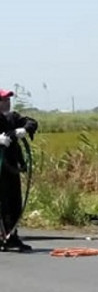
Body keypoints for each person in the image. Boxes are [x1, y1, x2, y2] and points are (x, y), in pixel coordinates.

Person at [0, 88, 38, 252]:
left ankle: (12, 236)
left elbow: (31, 122)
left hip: (11, 168)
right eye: (3, 101)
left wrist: (24, 130)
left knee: (14, 201)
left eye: (8, 100)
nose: (7, 103)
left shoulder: (12, 117)